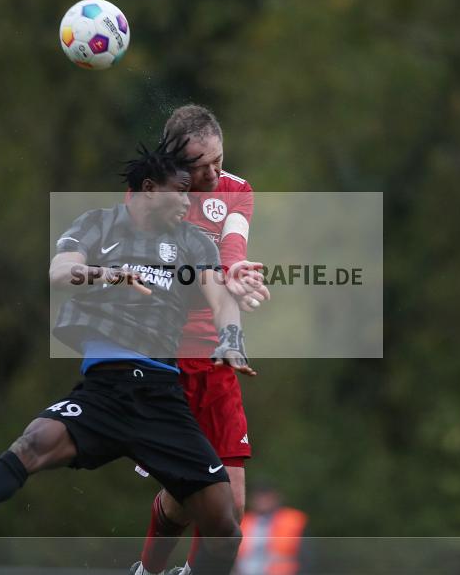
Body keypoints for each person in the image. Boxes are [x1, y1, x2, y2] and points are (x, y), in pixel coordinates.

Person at [0, 136, 255, 575]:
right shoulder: (97, 225)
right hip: (104, 391)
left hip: (161, 396)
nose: (188, 201)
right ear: (148, 190)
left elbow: (220, 297)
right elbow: (60, 271)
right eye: (179, 191)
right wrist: (106, 274)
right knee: (33, 442)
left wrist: (230, 337)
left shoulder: (193, 243)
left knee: (225, 525)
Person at [131, 105, 269, 575]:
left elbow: (232, 243)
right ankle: (148, 571)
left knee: (230, 504)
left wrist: (236, 272)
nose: (213, 173)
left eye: (218, 160)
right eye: (200, 166)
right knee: (189, 498)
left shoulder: (238, 191)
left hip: (215, 356)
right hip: (164, 357)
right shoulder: (153, 194)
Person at [234, 483, 310, 575]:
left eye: (266, 497)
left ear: (276, 498)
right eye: (258, 497)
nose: (262, 501)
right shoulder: (243, 521)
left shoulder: (294, 520)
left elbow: (307, 556)